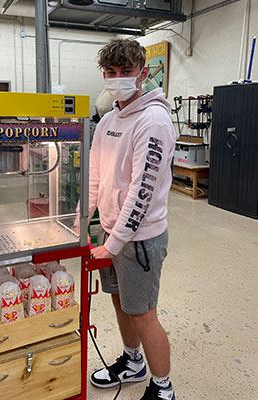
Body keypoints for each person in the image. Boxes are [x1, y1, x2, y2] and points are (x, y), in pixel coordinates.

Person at [87, 38, 176, 400]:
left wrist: (113, 245)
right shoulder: (107, 120)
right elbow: (95, 176)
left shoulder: (153, 120)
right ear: (104, 74)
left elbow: (143, 194)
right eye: (111, 72)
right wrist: (79, 224)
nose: (118, 78)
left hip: (139, 241)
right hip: (111, 233)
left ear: (142, 73)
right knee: (121, 303)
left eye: (126, 71)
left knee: (143, 313)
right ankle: (132, 360)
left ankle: (163, 387)